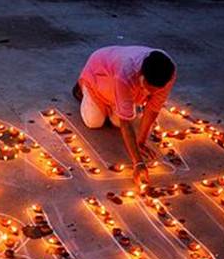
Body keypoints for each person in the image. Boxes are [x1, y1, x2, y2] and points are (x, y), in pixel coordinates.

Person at [73, 46, 176, 186]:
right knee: (94, 121)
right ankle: (83, 88)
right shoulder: (126, 72)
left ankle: (112, 106)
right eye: (148, 87)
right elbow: (126, 122)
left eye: (155, 89)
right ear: (142, 75)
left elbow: (153, 108)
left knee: (116, 123)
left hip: (123, 87)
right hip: (100, 74)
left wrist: (141, 141)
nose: (152, 92)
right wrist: (138, 163)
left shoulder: (167, 73)